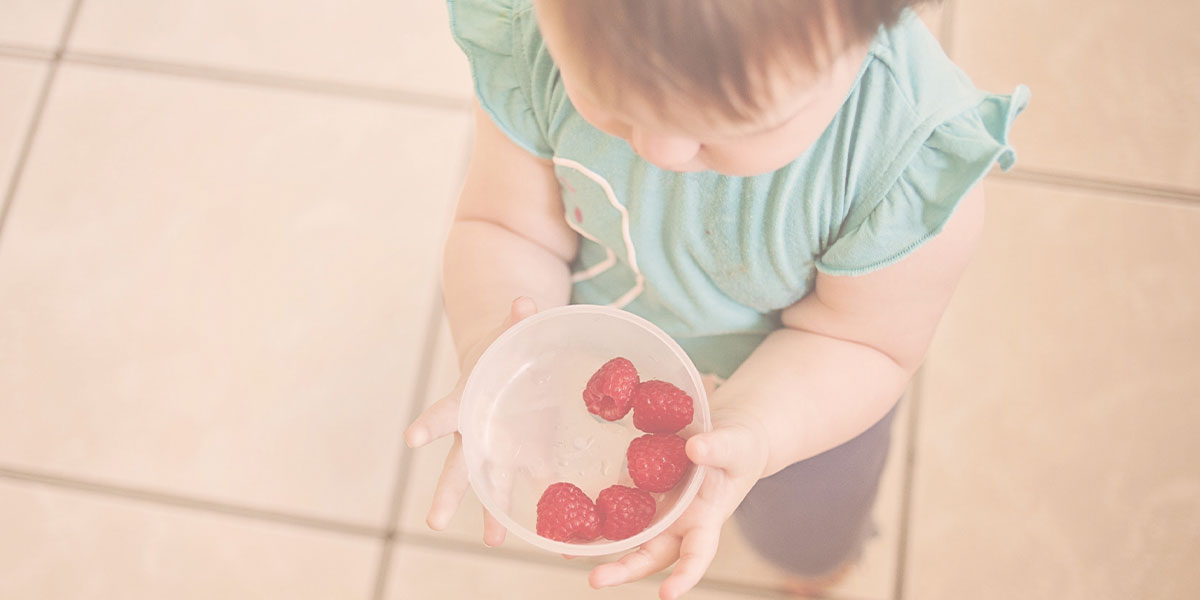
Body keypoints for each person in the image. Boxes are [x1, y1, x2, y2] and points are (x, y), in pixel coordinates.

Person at [404, 0, 1029, 597]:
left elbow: (862, 341)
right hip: (608, 352)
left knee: (807, 529)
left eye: (731, 126)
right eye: (605, 97)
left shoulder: (904, 159)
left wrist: (756, 428)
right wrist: (497, 344)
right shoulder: (539, 37)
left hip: (807, 398)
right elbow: (508, 227)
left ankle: (813, 566)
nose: (660, 150)